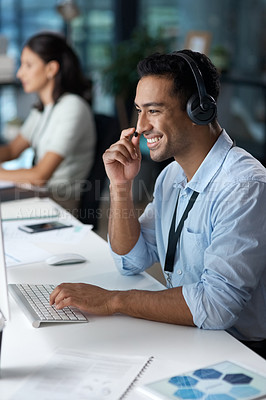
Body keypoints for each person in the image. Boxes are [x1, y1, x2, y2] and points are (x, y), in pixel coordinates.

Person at [50, 50, 266, 358]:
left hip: (241, 352)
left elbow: (216, 307)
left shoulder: (242, 187)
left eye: (153, 111)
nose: (140, 127)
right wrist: (121, 186)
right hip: (191, 335)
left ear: (199, 111)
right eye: (139, 110)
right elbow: (131, 260)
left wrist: (114, 301)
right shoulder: (172, 177)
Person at [0, 32, 96, 214]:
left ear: (51, 69)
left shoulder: (72, 107)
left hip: (60, 204)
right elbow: (13, 150)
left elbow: (39, 176)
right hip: (39, 196)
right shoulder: (43, 109)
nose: (20, 73)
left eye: (28, 65)